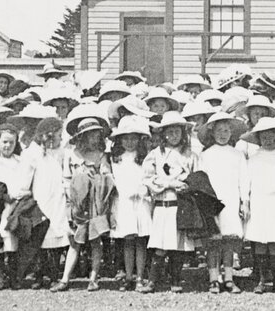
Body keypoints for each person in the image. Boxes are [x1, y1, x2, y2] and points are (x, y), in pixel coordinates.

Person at [52, 118, 115, 292]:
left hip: (95, 202)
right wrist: (71, 197)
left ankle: (93, 278)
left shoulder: (101, 155)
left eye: (97, 135)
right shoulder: (72, 154)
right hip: (77, 201)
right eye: (90, 135)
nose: (94, 139)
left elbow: (108, 176)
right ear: (82, 137)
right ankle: (65, 279)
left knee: (95, 241)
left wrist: (98, 175)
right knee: (75, 240)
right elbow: (66, 178)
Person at [241, 117, 275, 294]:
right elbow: (246, 182)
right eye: (263, 136)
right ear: (258, 138)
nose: (267, 139)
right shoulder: (253, 159)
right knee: (259, 243)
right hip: (258, 201)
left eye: (271, 135)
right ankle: (261, 280)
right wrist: (246, 203)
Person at [145, 111, 199, 293]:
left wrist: (187, 186)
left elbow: (197, 178)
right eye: (170, 132)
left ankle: (176, 280)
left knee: (178, 247)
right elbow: (148, 178)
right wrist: (168, 183)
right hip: (163, 204)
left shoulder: (190, 155)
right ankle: (152, 281)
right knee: (160, 246)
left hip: (181, 205)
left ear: (183, 133)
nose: (173, 136)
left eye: (177, 131)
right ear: (163, 134)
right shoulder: (156, 154)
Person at [198, 112, 249, 294]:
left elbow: (244, 179)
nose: (223, 134)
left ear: (232, 133)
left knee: (228, 241)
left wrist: (245, 201)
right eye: (219, 130)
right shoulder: (205, 155)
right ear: (212, 133)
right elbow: (201, 180)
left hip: (231, 200)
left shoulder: (237, 155)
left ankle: (228, 278)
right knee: (213, 242)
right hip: (212, 201)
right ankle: (213, 278)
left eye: (227, 130)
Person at [108, 116, 154, 292]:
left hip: (140, 201)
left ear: (139, 139)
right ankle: (128, 276)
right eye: (125, 138)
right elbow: (114, 180)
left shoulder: (144, 157)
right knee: (128, 241)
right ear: (120, 139)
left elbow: (148, 178)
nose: (129, 142)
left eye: (133, 138)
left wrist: (142, 190)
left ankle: (140, 276)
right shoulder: (115, 158)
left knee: (141, 241)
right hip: (123, 202)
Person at [0, 123, 33, 290]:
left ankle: (14, 276)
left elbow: (26, 182)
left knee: (13, 239)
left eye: (11, 143)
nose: (7, 146)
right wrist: (1, 195)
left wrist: (21, 195)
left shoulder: (20, 161)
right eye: (4, 142)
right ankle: (0, 276)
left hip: (16, 205)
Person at [27, 117, 71, 289]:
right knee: (40, 235)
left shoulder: (62, 153)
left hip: (57, 198)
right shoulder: (34, 153)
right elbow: (27, 177)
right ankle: (39, 274)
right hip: (41, 197)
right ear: (49, 135)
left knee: (56, 235)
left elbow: (65, 173)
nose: (61, 138)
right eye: (59, 134)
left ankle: (53, 274)